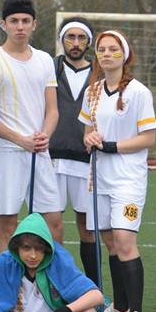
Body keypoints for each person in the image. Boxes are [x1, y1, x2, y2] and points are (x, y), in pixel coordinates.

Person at [80, 30, 156, 312]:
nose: (107, 54)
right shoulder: (92, 92)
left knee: (124, 241)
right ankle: (121, 307)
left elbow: (148, 137)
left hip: (128, 177)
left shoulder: (139, 92)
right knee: (110, 241)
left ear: (125, 55)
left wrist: (111, 146)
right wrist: (90, 139)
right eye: (102, 49)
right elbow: (87, 132)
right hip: (99, 177)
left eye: (113, 49)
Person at [0, 0, 62, 255]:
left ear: (34, 24)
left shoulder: (44, 60)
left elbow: (53, 110)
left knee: (53, 224)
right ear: (3, 24)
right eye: (14, 21)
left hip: (40, 153)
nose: (20, 26)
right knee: (7, 226)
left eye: (25, 21)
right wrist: (20, 140)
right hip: (8, 154)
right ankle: (4, 281)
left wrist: (44, 136)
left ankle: (51, 280)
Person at [50, 17, 98, 284]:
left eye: (81, 38)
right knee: (53, 227)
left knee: (88, 229)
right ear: (62, 40)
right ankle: (55, 286)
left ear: (89, 42)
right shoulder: (49, 68)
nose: (76, 43)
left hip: (87, 160)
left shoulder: (100, 72)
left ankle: (94, 289)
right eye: (71, 37)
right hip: (52, 158)